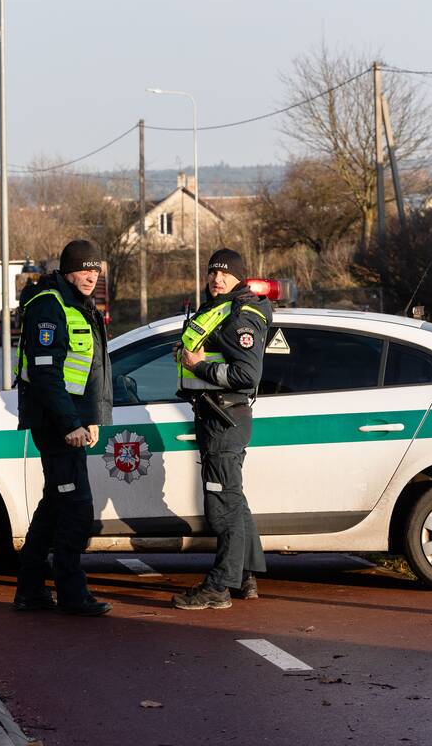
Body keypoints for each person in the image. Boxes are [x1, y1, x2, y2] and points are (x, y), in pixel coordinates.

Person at [13, 240, 113, 616]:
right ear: (69, 270)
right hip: (56, 424)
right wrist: (71, 424)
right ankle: (72, 594)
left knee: (55, 504)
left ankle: (30, 589)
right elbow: (45, 373)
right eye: (85, 269)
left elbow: (88, 372)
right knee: (76, 508)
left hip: (71, 422)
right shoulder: (48, 305)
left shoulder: (78, 304)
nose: (91, 275)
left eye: (96, 269)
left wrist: (91, 418)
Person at [171, 249, 272, 610]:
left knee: (222, 507)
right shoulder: (218, 310)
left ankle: (219, 586)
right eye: (213, 272)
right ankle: (245, 574)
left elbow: (247, 375)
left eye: (226, 274)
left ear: (238, 278)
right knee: (234, 499)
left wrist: (199, 368)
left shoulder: (240, 318)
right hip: (215, 416)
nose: (217, 279)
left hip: (225, 418)